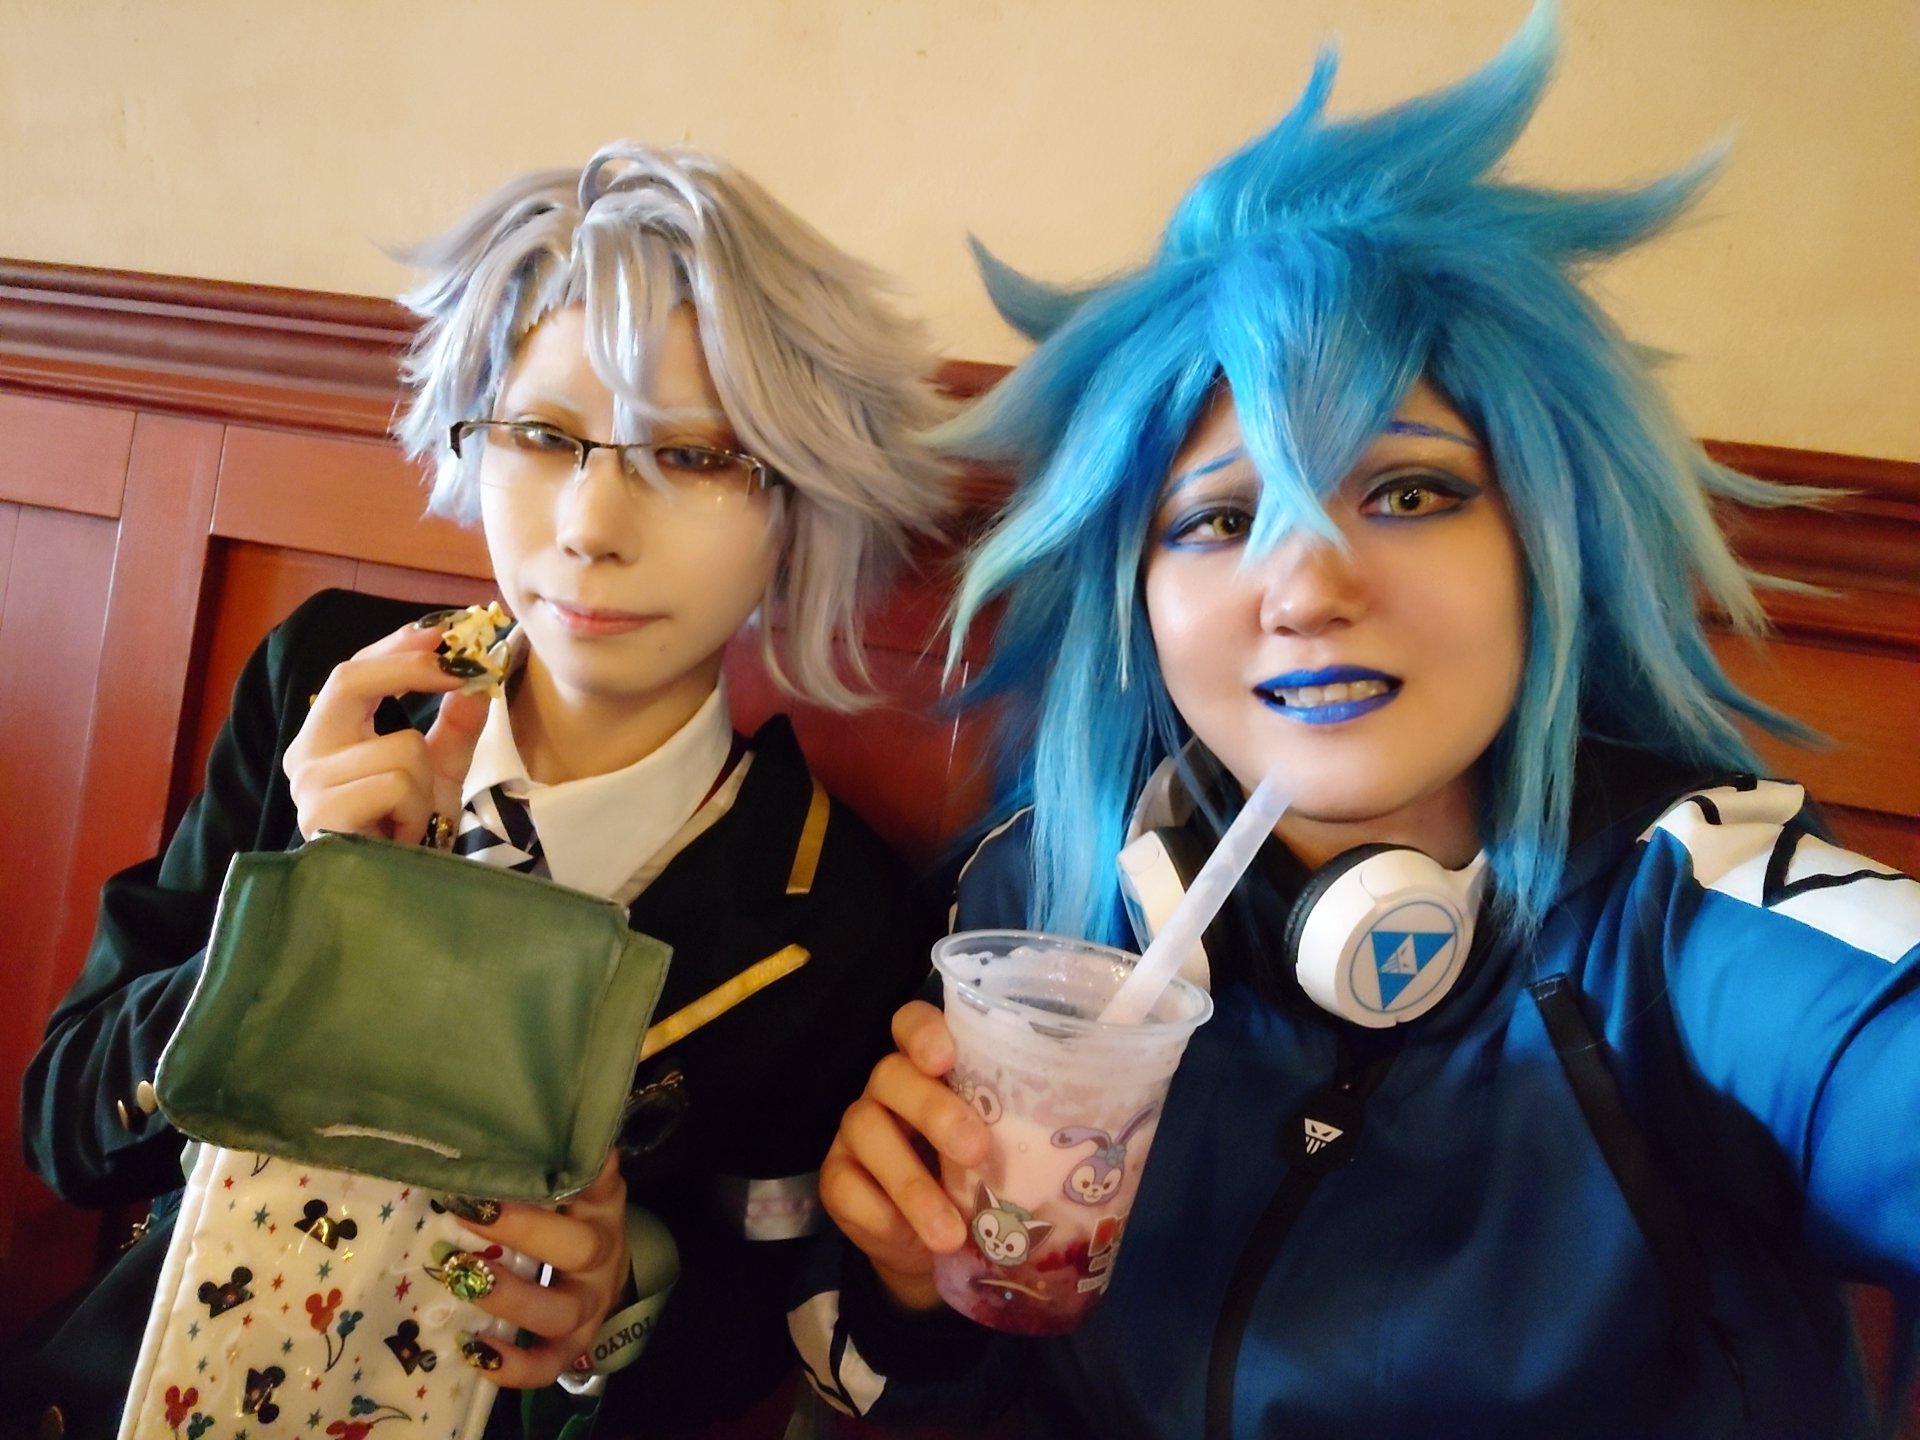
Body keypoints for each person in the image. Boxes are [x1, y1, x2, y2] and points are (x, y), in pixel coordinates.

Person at [792, 13, 1920, 1439]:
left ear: (1546, 548)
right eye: (1219, 520)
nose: (1308, 589)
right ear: (1138, 597)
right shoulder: (1038, 893)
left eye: (1408, 493)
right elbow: (903, 1378)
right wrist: (912, 1287)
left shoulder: (1694, 927)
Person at [9, 143, 949, 1435]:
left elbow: (752, 1307)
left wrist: (620, 1294)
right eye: (545, 436)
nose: (591, 528)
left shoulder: (829, 909)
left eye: (692, 457)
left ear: (802, 503)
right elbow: (65, 1127)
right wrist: (300, 917)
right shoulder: (330, 689)